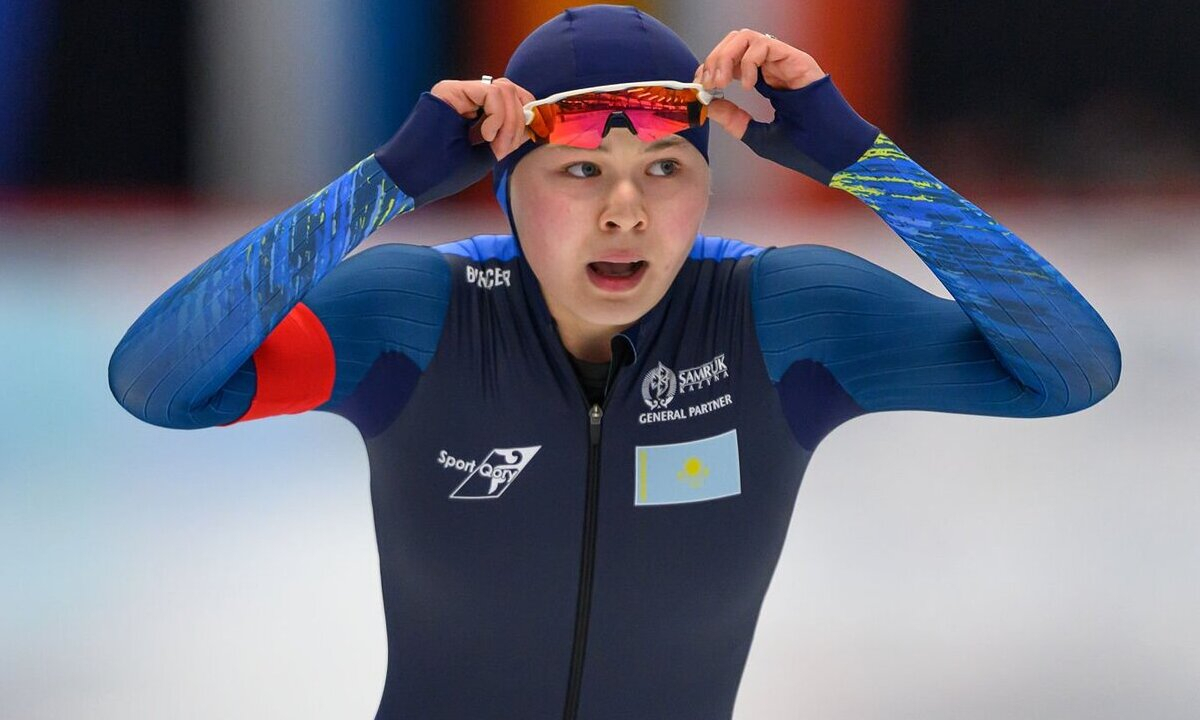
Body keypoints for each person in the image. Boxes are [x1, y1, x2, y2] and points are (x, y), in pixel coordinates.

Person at [108, 5, 1121, 719]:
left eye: (666, 168)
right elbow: (159, 382)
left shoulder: (782, 318)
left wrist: (866, 161)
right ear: (508, 185)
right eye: (582, 169)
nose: (626, 210)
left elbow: (1069, 369)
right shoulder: (418, 316)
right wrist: (383, 184)